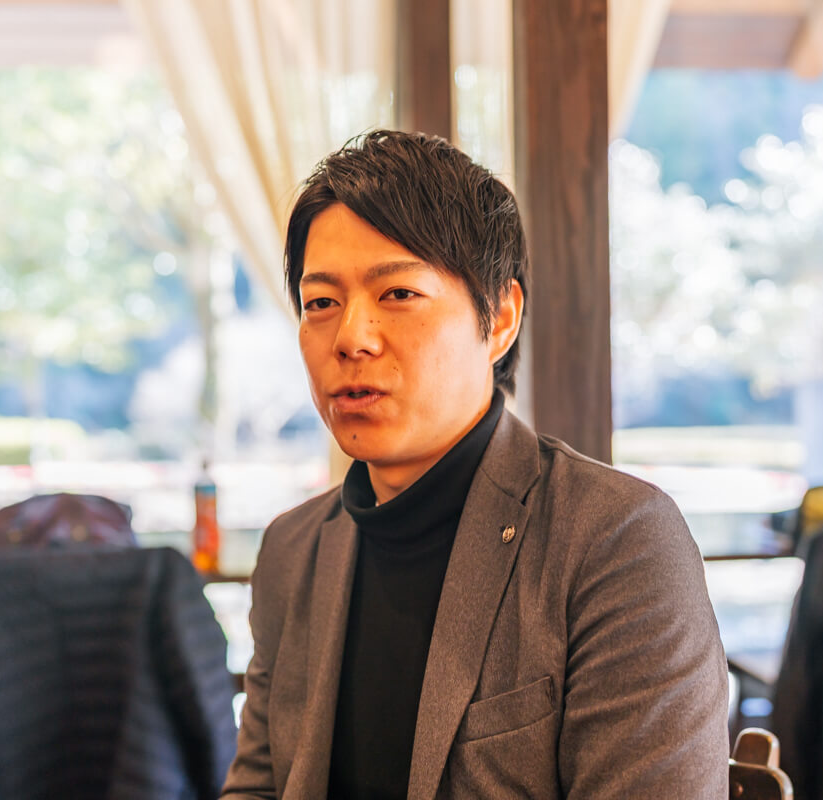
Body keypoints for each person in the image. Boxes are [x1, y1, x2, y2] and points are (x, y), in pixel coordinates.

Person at [221, 130, 729, 799]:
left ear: (501, 317)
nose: (350, 338)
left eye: (398, 294)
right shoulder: (293, 550)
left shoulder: (615, 540)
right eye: (321, 303)